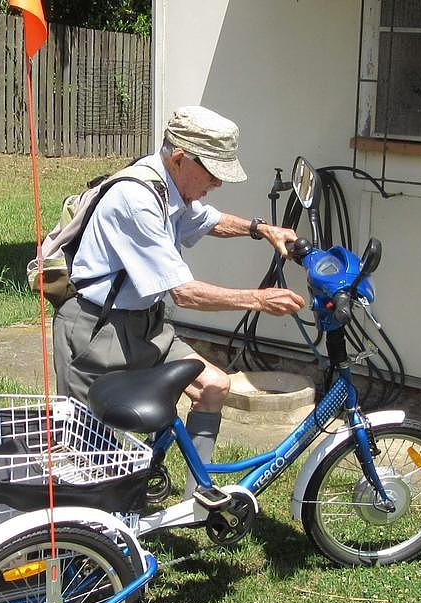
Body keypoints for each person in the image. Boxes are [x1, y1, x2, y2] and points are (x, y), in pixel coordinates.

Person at [53, 105, 306, 498]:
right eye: (214, 173)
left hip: (147, 326)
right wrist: (258, 300)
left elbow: (207, 220)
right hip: (95, 331)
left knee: (213, 385)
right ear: (180, 158)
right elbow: (183, 292)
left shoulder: (169, 186)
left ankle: (196, 502)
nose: (218, 184)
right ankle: (87, 538)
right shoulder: (136, 200)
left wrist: (261, 229)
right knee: (89, 455)